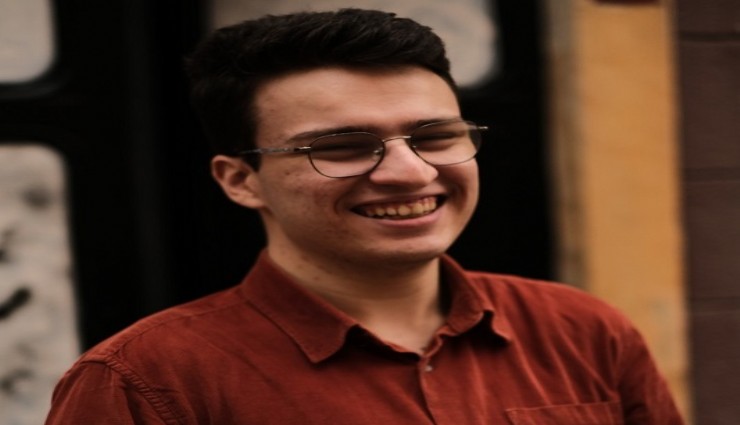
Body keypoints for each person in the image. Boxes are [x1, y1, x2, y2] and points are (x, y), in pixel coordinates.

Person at [46, 8, 683, 424]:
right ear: (241, 181)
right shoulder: (147, 381)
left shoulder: (583, 331)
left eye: (435, 136)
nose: (410, 171)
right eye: (342, 147)